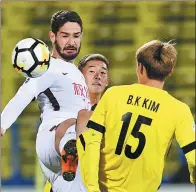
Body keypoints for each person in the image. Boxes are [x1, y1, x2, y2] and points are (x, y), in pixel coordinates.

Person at [77, 40, 196, 192]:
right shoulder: (179, 110)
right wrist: (193, 177)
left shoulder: (114, 94)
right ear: (170, 71)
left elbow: (91, 143)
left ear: (140, 67)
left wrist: (92, 188)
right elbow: (193, 158)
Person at [1, 10, 89, 192]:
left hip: (73, 155)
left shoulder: (78, 74)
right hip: (53, 137)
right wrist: (2, 124)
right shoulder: (46, 67)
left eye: (76, 36)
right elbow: (23, 95)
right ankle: (69, 147)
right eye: (65, 36)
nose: (71, 42)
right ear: (52, 36)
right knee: (74, 129)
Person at [44, 53, 109, 192]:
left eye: (103, 73)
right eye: (91, 71)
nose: (98, 76)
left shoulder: (111, 113)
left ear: (107, 81)